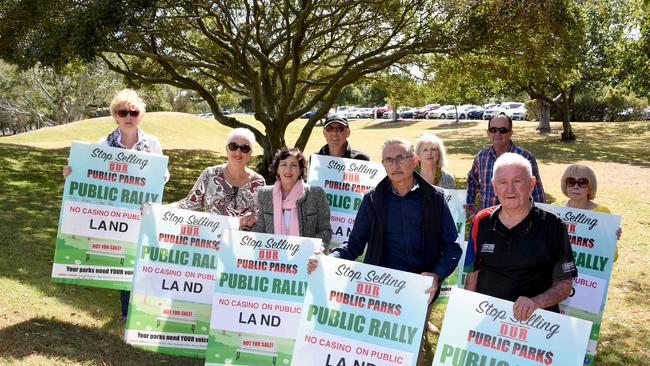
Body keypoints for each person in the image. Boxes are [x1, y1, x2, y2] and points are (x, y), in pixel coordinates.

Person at [309, 138, 461, 366]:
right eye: (389, 160)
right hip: (380, 292)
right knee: (377, 354)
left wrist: (436, 275)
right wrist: (326, 261)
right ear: (383, 165)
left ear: (415, 161)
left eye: (401, 158)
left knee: (411, 356)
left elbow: (452, 247)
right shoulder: (372, 199)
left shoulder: (434, 198)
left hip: (418, 292)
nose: (395, 164)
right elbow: (354, 246)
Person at [62, 88, 167, 320]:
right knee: (126, 257)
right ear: (115, 115)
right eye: (123, 112)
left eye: (134, 112)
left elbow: (164, 174)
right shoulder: (104, 143)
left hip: (145, 211)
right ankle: (126, 312)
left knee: (145, 258)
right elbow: (90, 172)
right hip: (116, 213)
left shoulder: (152, 143)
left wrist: (158, 178)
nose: (129, 117)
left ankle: (148, 310)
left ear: (141, 115)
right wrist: (72, 172)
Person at [464, 153, 577, 321]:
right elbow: (472, 275)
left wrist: (537, 302)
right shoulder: (481, 221)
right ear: (494, 187)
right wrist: (467, 315)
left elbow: (565, 284)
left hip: (535, 324)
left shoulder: (553, 225)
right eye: (503, 182)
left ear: (531, 184)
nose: (510, 190)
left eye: (517, 181)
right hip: (487, 322)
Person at [170, 128, 265, 229]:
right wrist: (162, 208)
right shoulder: (210, 175)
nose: (238, 151)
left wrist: (254, 218)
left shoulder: (258, 182)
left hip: (243, 242)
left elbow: (263, 216)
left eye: (244, 148)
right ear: (227, 149)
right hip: (210, 239)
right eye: (233, 146)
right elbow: (190, 202)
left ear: (250, 153)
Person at [465, 114, 545, 220]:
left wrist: (539, 221)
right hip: (486, 223)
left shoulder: (525, 157)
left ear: (510, 133)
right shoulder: (481, 157)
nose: (497, 133)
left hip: (517, 224)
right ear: (488, 133)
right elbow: (472, 180)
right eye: (493, 129)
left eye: (503, 130)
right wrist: (469, 206)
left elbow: (537, 194)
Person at [253, 147, 332, 244]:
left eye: (293, 165)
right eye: (283, 165)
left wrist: (311, 248)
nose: (288, 170)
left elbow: (325, 231)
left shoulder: (316, 194)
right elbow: (260, 230)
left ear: (300, 170)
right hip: (273, 255)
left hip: (306, 256)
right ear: (277, 169)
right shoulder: (264, 194)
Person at [555, 164, 622, 257]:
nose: (576, 187)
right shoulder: (553, 209)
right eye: (571, 181)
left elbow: (612, 256)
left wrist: (611, 238)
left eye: (582, 182)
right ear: (565, 185)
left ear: (590, 187)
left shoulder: (602, 213)